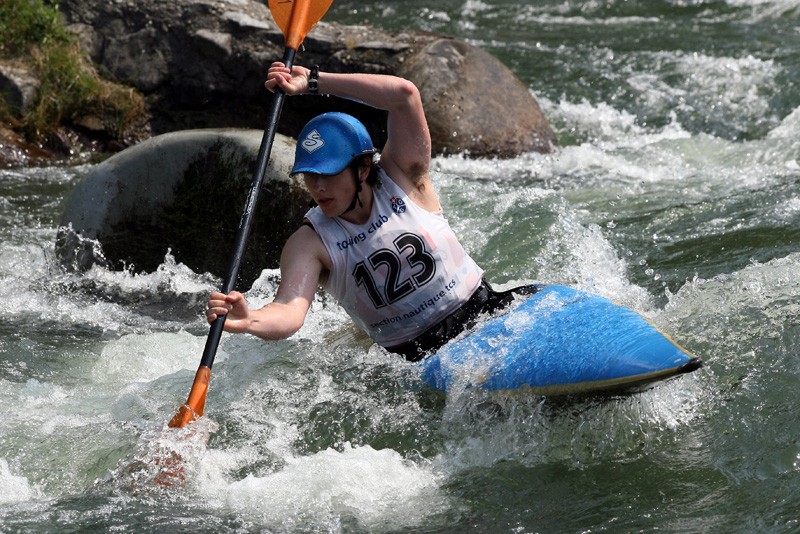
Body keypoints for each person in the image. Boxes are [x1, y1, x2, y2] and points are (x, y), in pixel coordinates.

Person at [206, 62, 538, 361]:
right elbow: (289, 312)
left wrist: (314, 81)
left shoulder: (404, 179)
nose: (318, 186)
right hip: (416, 359)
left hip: (485, 311)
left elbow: (404, 94)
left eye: (330, 173)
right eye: (310, 175)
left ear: (363, 168)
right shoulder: (311, 243)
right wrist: (250, 320)